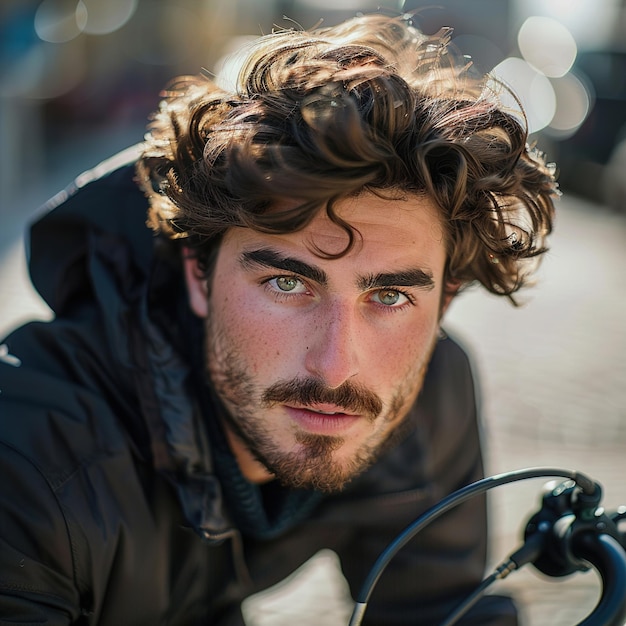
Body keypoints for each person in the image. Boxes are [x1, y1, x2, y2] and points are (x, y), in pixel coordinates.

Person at [0, 13, 557, 625]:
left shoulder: (422, 396)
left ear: (445, 300)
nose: (337, 366)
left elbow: (436, 609)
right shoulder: (27, 474)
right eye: (287, 283)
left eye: (391, 297)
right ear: (198, 272)